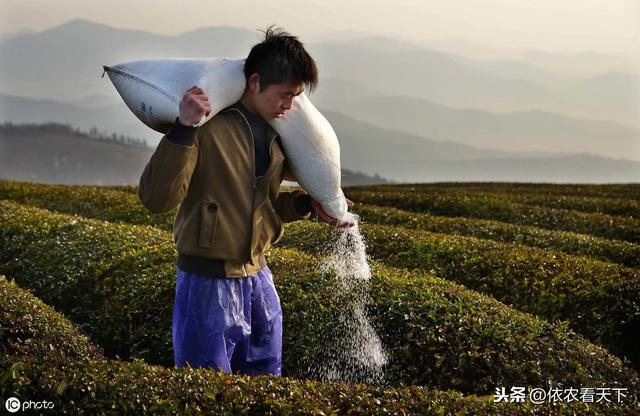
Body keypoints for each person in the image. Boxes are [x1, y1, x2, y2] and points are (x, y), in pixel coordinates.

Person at [137, 25, 354, 377]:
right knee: (207, 388)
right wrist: (183, 128)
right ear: (254, 82)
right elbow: (156, 198)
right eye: (284, 94)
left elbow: (261, 207)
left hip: (258, 278)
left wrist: (302, 205)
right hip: (207, 282)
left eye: (296, 96)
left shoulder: (276, 135)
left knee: (265, 383)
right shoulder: (208, 129)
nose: (289, 104)